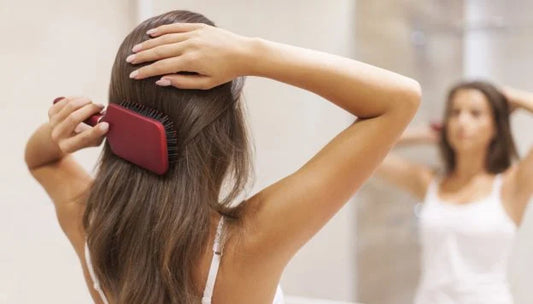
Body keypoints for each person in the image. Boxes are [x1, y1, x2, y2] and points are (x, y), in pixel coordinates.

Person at [24, 10, 420, 304]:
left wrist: (57, 133)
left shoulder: (90, 224)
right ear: (223, 131)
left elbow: (40, 161)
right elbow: (398, 99)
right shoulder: (248, 240)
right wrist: (252, 53)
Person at [375, 80, 533, 303]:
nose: (462, 121)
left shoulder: (511, 186)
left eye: (475, 113)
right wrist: (424, 134)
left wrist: (510, 96)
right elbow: (364, 152)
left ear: (496, 126)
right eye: (454, 113)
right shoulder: (429, 183)